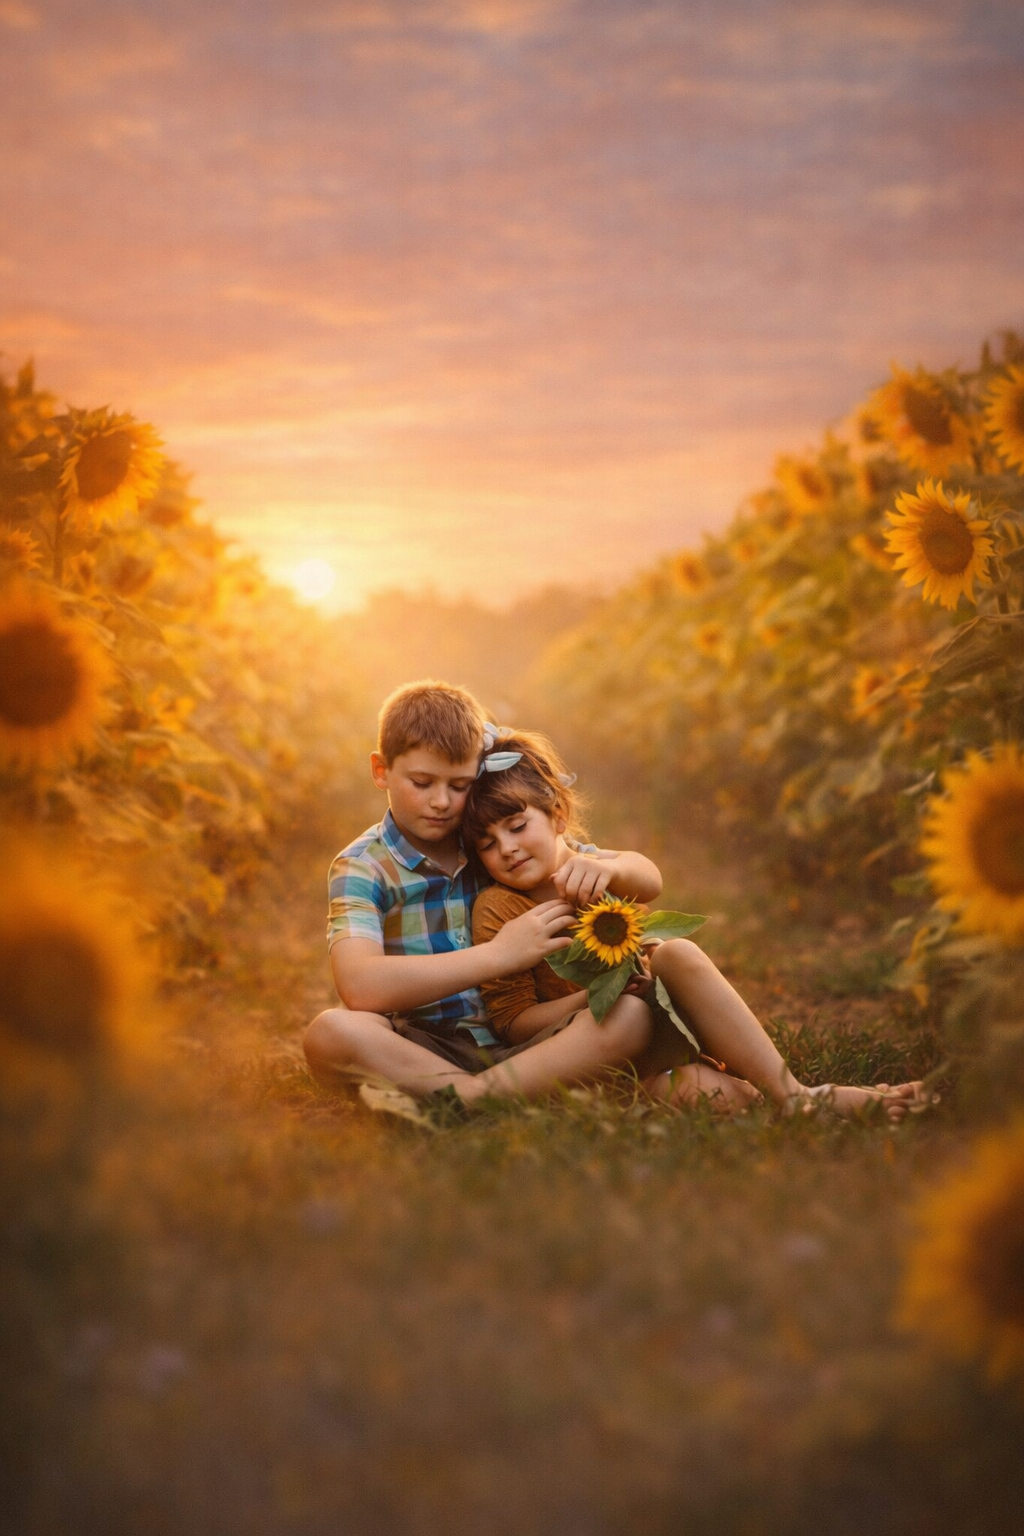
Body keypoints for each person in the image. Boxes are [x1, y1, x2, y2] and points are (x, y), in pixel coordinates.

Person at [465, 729, 929, 1122]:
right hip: (585, 1050)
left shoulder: (593, 868)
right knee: (716, 1096)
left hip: (660, 1024)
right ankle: (794, 1101)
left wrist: (612, 870)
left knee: (676, 952)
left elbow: (649, 879)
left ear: (558, 816)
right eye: (487, 842)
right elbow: (513, 1024)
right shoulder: (498, 907)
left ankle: (794, 1094)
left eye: (517, 825)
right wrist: (597, 996)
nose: (506, 848)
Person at [303, 680, 671, 1115]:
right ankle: (483, 1095)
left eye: (459, 785)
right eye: (422, 782)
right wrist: (499, 955)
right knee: (330, 1032)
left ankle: (473, 1102)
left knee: (628, 1017)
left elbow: (631, 873)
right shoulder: (362, 867)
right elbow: (360, 986)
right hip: (421, 1049)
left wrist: (611, 867)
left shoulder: (492, 841)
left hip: (536, 1043)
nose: (441, 802)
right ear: (381, 770)